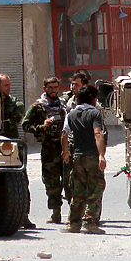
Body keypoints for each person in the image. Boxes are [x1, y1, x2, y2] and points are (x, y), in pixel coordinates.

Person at [22, 76, 69, 224]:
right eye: (50, 88)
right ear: (45, 89)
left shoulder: (64, 105)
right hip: (49, 148)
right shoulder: (37, 107)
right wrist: (41, 127)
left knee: (70, 179)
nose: (54, 90)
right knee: (51, 181)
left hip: (65, 146)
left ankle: (75, 212)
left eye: (56, 87)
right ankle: (56, 212)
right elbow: (25, 125)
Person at [61, 85, 107, 234]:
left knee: (78, 190)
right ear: (93, 99)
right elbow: (98, 134)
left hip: (77, 156)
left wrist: (66, 152)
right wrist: (101, 155)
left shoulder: (71, 114)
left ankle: (73, 223)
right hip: (92, 156)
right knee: (95, 188)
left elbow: (64, 134)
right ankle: (89, 222)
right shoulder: (95, 113)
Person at [0, 74, 35, 230]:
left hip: (11, 146)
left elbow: (13, 123)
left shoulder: (16, 103)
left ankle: (23, 216)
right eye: (5, 85)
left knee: (20, 181)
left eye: (9, 85)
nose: (8, 88)